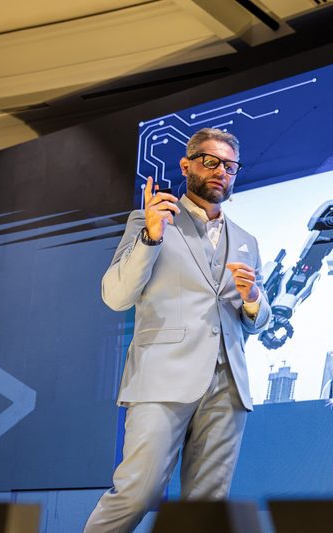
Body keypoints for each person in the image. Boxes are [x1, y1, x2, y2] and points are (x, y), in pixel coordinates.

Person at [84, 128, 272, 532]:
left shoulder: (247, 240)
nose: (221, 170)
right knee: (137, 492)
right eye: (210, 161)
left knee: (205, 509)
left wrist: (254, 297)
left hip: (227, 386)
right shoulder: (150, 221)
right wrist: (151, 236)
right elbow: (115, 296)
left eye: (229, 165)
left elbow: (257, 318)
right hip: (162, 377)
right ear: (186, 165)